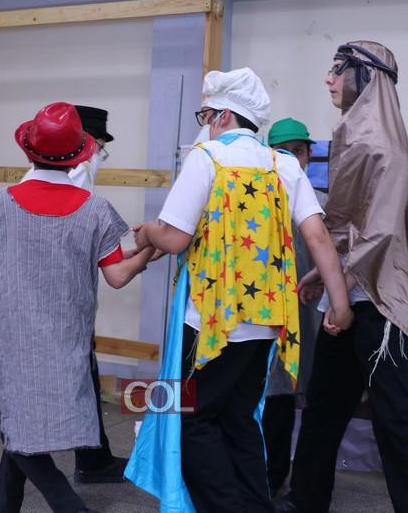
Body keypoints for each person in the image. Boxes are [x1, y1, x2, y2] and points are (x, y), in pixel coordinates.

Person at [128, 67, 352, 513]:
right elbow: (318, 237)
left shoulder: (207, 158)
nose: (205, 123)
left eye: (206, 114)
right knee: (240, 418)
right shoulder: (283, 165)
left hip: (210, 322)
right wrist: (340, 304)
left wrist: (148, 232)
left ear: (223, 115)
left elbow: (175, 238)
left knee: (188, 419)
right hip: (266, 323)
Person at [275, 41, 408, 513]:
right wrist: (323, 275)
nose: (328, 79)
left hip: (381, 302)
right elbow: (351, 228)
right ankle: (305, 500)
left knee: (393, 419)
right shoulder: (354, 138)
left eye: (338, 70)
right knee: (324, 407)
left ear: (366, 76)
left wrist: (339, 289)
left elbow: (381, 234)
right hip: (349, 294)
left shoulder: (385, 148)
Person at [0, 101, 154, 512]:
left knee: (15, 423)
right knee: (18, 428)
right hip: (65, 337)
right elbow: (117, 275)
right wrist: (150, 250)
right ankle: (67, 505)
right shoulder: (95, 209)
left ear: (28, 151)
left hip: (14, 338)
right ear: (79, 155)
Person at [262, 117, 324, 495]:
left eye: (297, 151)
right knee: (275, 396)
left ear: (309, 155)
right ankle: (269, 477)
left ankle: (300, 482)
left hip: (309, 315)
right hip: (267, 317)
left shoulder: (321, 204)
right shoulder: (256, 203)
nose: (290, 159)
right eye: (281, 152)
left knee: (312, 393)